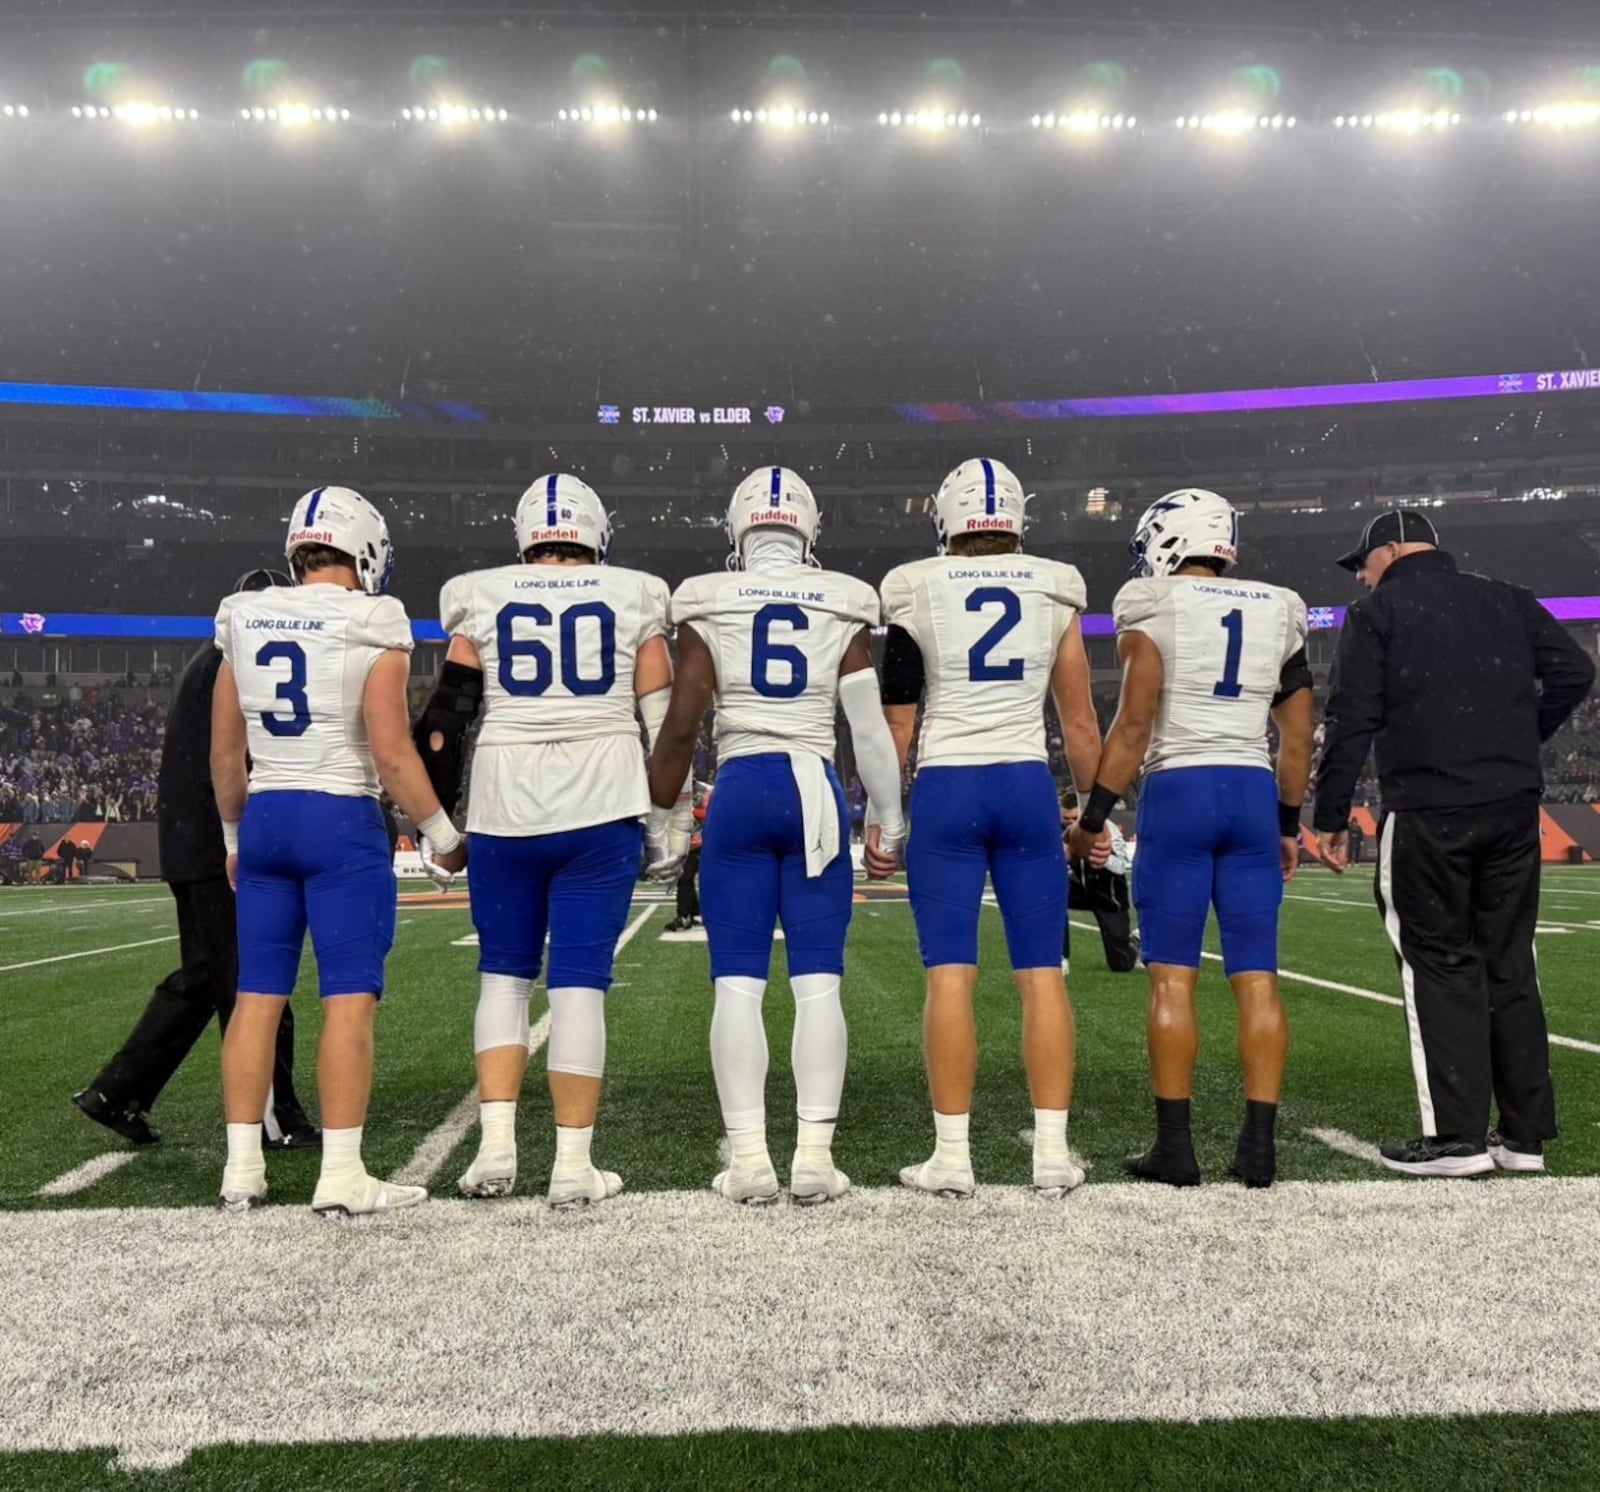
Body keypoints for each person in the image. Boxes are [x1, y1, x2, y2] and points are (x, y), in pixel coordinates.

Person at [417, 474, 686, 1208]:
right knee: (577, 980)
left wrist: (436, 819)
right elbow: (662, 721)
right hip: (602, 801)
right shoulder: (634, 592)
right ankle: (572, 1162)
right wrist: (673, 816)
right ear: (597, 534)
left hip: (505, 802)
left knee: (503, 975)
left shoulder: (484, 592)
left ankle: (496, 1151)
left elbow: (448, 716)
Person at [648, 466, 906, 1206]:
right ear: (807, 530)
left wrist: (663, 814)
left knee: (737, 983)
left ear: (739, 530)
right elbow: (867, 728)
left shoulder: (708, 599)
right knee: (819, 982)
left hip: (742, 786)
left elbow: (681, 725)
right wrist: (891, 820)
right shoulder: (842, 600)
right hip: (815, 791)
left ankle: (753, 1159)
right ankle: (815, 1159)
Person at [1313, 509, 1595, 1177]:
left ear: (1388, 551)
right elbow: (1576, 674)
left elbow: (1351, 716)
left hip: (1430, 809)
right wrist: (1521, 738)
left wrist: (1329, 816)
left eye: (1363, 564)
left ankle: (1457, 1138)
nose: (1361, 577)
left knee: (1438, 963)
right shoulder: (1508, 598)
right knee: (1510, 964)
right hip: (1510, 809)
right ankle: (1524, 1138)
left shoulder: (1379, 615)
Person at [210, 485, 466, 1217]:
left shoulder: (243, 616)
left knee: (257, 997)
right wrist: (442, 835)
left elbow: (226, 755)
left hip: (265, 817)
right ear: (367, 550)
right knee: (347, 999)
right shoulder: (373, 617)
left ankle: (241, 1171)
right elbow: (390, 750)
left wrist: (234, 837)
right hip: (339, 819)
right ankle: (343, 1174)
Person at [1071, 488, 1312, 1188]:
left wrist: (1092, 820)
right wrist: (1287, 824)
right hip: (1250, 792)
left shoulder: (1152, 603)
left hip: (1180, 791)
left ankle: (1176, 1149)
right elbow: (1296, 736)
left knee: (1172, 975)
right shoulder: (1281, 608)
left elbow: (1135, 722)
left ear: (1164, 540)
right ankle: (1258, 1149)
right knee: (1257, 977)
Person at [880, 457, 1102, 1199]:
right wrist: (1095, 814)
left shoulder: (917, 585)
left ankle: (952, 1156)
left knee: (951, 974)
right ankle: (1050, 1153)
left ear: (945, 519)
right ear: (1016, 518)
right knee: (1042, 974)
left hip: (947, 784)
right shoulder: (1053, 584)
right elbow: (1078, 719)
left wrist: (885, 813)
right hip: (1023, 783)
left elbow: (899, 720)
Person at [74, 569, 316, 1151]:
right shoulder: (231, 667)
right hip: (218, 847)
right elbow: (230, 762)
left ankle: (117, 1090)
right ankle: (273, 1116)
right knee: (255, 985)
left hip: (191, 843)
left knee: (205, 978)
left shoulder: (205, 663)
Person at [1060, 789, 1141, 974]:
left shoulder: (1108, 829)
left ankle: (1136, 941)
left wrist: (1102, 859)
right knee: (1052, 893)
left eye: (1074, 819)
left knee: (1121, 965)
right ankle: (1059, 955)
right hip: (1082, 889)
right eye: (1067, 819)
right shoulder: (1063, 832)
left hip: (1109, 897)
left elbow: (1121, 866)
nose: (1071, 824)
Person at [665, 781, 710, 934]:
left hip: (699, 842)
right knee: (686, 879)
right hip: (684, 842)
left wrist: (688, 811)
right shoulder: (675, 788)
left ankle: (684, 916)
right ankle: (695, 914)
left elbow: (708, 813)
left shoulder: (704, 791)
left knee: (684, 879)